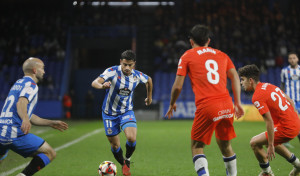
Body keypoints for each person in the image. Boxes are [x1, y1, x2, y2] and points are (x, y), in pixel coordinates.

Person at [165, 24, 244, 176]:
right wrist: (238, 102)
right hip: (226, 104)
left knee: (196, 146)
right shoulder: (222, 54)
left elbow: (177, 86)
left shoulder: (187, 56)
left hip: (208, 105)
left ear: (191, 41)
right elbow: (235, 75)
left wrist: (172, 102)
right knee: (225, 145)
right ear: (208, 40)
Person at [0, 57, 68, 176]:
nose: (44, 71)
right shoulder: (31, 85)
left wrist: (50, 123)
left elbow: (27, 114)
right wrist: (25, 120)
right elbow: (21, 103)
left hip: (1, 130)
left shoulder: (18, 83)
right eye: (42, 68)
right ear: (35, 70)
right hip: (14, 132)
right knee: (50, 153)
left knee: (2, 154)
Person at [91, 50, 153, 176]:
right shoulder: (112, 71)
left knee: (131, 137)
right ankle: (123, 164)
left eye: (130, 65)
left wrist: (149, 97)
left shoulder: (136, 75)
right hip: (109, 113)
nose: (127, 68)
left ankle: (128, 160)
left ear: (134, 64)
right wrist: (102, 86)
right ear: (121, 62)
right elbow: (95, 82)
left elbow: (149, 80)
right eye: (124, 64)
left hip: (126, 111)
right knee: (115, 146)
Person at [238, 64, 300, 176]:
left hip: (287, 128)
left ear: (250, 80)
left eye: (242, 80)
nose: (241, 83)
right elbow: (290, 101)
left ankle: (267, 172)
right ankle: (297, 165)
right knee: (269, 140)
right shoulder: (269, 85)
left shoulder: (257, 96)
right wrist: (293, 119)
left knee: (254, 143)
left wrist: (271, 144)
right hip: (296, 123)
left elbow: (269, 121)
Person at [280, 52, 300, 147]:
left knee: (295, 121)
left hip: (299, 100)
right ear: (288, 60)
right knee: (294, 120)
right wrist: (281, 97)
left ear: (297, 59)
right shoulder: (284, 71)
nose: (292, 60)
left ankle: (285, 140)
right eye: (290, 58)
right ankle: (285, 140)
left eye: (294, 58)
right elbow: (282, 85)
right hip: (288, 100)